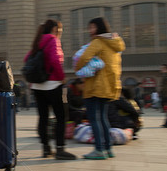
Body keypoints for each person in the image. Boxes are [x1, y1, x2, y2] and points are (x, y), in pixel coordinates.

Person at [24, 19, 76, 160]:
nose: (60, 32)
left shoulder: (38, 41)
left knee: (43, 118)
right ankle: (60, 149)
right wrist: (61, 78)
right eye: (59, 30)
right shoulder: (53, 40)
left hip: (37, 86)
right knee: (61, 117)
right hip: (53, 84)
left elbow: (26, 59)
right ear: (54, 29)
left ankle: (46, 149)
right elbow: (55, 60)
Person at [75, 17, 125, 159]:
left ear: (99, 28)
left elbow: (84, 58)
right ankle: (108, 148)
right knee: (103, 118)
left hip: (96, 86)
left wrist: (78, 68)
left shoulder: (98, 42)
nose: (90, 31)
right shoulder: (115, 43)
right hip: (109, 85)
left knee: (94, 118)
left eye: (92, 27)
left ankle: (99, 150)